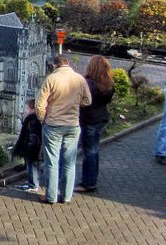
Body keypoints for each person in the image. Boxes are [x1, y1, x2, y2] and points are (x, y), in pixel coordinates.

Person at [36, 54, 92, 205]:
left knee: (52, 162)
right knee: (69, 162)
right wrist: (74, 104)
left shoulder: (51, 79)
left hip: (53, 124)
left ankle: (51, 197)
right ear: (68, 64)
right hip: (73, 125)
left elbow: (40, 104)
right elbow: (88, 100)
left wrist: (43, 119)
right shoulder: (80, 79)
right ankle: (66, 196)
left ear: (55, 65)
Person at [77, 55, 115, 193]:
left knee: (89, 152)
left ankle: (89, 182)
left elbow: (83, 102)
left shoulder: (89, 84)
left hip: (89, 119)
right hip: (102, 117)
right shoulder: (108, 83)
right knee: (94, 150)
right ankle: (91, 179)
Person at [12, 98, 43, 193]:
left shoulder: (32, 120)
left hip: (32, 149)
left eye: (27, 108)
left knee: (32, 166)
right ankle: (32, 182)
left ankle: (33, 185)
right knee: (33, 166)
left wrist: (29, 149)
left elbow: (32, 137)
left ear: (32, 109)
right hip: (33, 149)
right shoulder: (36, 119)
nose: (25, 110)